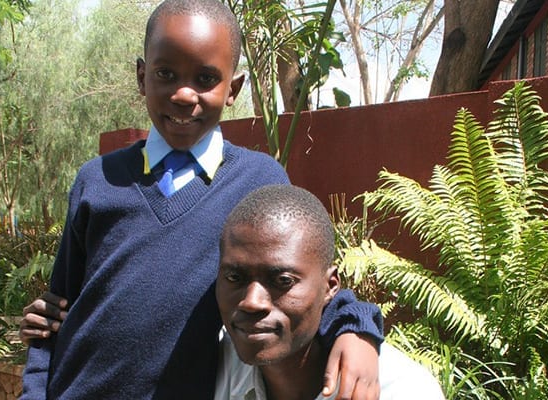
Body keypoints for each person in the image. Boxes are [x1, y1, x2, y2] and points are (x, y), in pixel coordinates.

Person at [20, 1, 385, 399]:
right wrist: (34, 391)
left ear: (233, 89)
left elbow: (302, 283)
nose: (182, 94)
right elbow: (52, 315)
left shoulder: (258, 182)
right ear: (142, 77)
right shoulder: (97, 180)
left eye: (205, 78)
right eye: (165, 74)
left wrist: (358, 329)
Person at [214, 184, 446, 400]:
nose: (252, 302)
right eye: (234, 278)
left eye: (283, 281)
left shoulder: (401, 390)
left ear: (331, 286)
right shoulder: (211, 364)